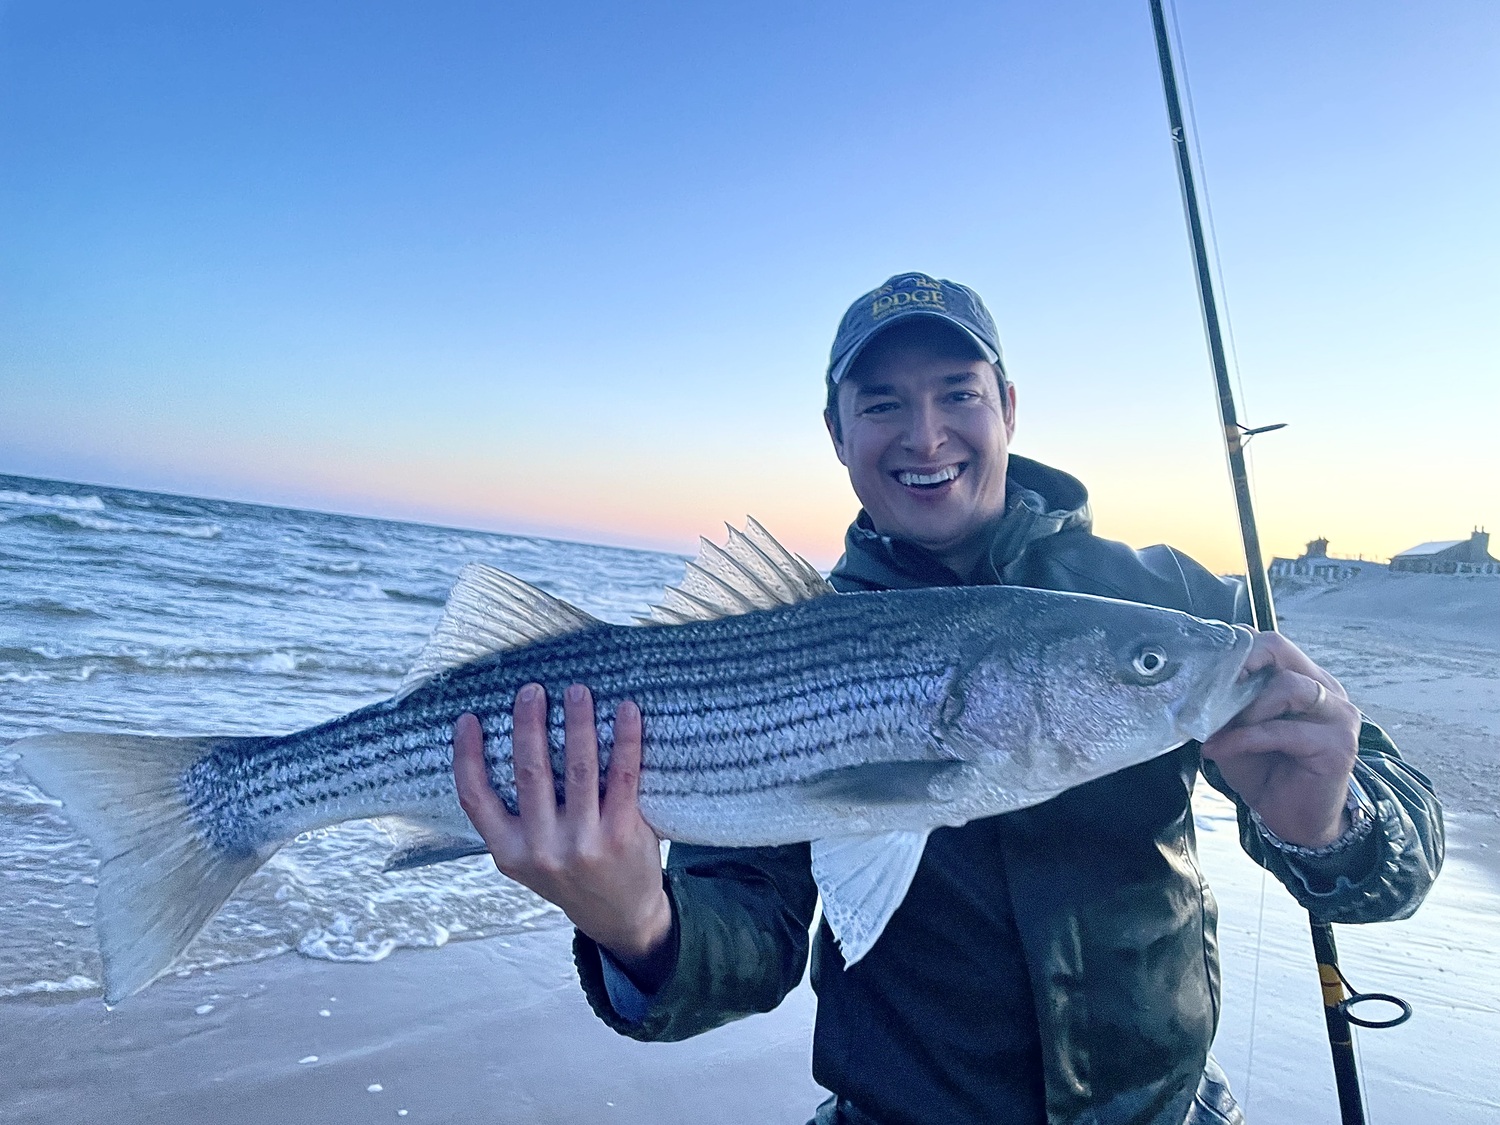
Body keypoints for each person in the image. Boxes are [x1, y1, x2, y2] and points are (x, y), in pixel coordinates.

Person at [450, 272, 1443, 1125]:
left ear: (1008, 405)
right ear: (836, 431)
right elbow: (749, 947)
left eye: (957, 393)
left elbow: (1399, 857)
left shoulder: (1169, 607)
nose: (925, 434)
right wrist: (640, 926)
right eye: (881, 403)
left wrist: (1333, 825)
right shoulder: (762, 646)